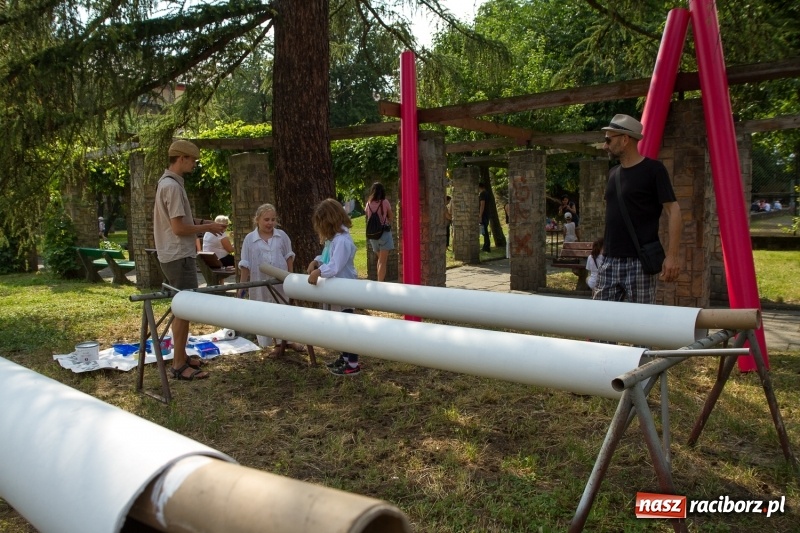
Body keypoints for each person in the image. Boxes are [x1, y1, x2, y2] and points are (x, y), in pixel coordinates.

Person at [153, 140, 227, 381]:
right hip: (177, 255)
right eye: (192, 160)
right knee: (182, 310)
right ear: (182, 158)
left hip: (175, 255)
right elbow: (178, 227)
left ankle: (182, 356)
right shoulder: (172, 187)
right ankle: (177, 365)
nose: (194, 164)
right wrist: (206, 226)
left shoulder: (169, 183)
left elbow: (180, 219)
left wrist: (203, 221)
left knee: (181, 307)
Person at [594, 114, 681, 305]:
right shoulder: (613, 174)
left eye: (609, 140)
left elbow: (673, 210)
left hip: (639, 263)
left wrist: (672, 256)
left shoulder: (653, 170)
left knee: (640, 326)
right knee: (599, 325)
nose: (604, 146)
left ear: (625, 139)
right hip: (608, 261)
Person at [238, 203, 305, 355]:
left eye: (273, 219)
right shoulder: (250, 239)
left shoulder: (282, 236)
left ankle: (287, 340)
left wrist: (290, 279)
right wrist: (242, 288)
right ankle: (274, 343)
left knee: (283, 308)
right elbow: (245, 264)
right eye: (266, 219)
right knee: (265, 311)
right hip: (260, 284)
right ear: (258, 220)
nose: (270, 223)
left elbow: (289, 258)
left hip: (280, 282)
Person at [307, 198, 361, 376]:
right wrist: (316, 261)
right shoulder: (334, 240)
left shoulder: (343, 241)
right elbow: (327, 257)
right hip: (336, 289)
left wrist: (319, 272)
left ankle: (352, 363)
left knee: (348, 327)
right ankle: (344, 357)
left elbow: (335, 265)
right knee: (340, 327)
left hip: (345, 288)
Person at [364, 182, 394, 282]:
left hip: (373, 235)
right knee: (382, 261)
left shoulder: (368, 203)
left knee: (380, 260)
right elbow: (391, 216)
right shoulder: (384, 202)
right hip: (384, 233)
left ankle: (379, 280)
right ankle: (380, 283)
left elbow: (368, 216)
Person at [478, 182, 490, 252]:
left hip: (484, 214)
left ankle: (486, 246)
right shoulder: (487, 193)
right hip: (487, 214)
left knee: (484, 230)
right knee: (484, 230)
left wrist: (480, 215)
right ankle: (486, 245)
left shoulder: (482, 194)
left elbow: (482, 205)